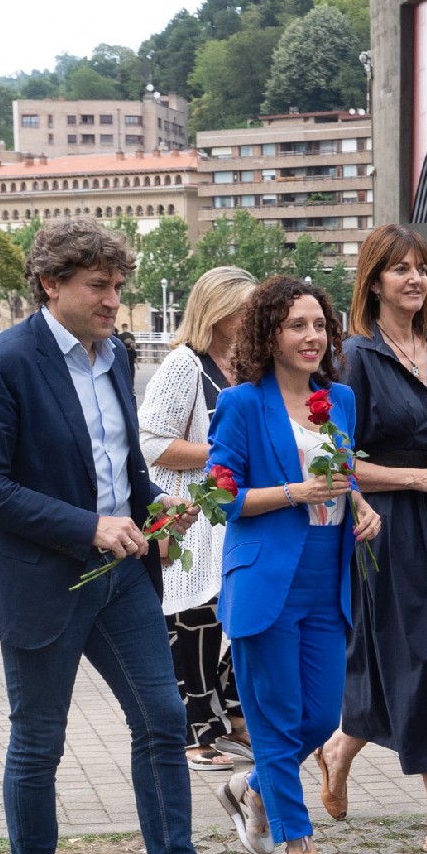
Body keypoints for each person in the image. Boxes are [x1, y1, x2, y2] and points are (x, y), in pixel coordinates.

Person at [0, 217, 269, 854]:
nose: (113, 300)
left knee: (163, 720)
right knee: (39, 741)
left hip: (122, 576)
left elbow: (123, 467)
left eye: (119, 286)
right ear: (50, 284)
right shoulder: (3, 363)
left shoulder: (116, 356)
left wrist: (155, 512)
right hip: (40, 580)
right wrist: (88, 526)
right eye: (99, 286)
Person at [316, 224, 427, 854]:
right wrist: (420, 478)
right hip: (386, 524)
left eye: (420, 267)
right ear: (374, 279)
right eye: (400, 269)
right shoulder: (354, 358)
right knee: (424, 655)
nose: (414, 278)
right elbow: (333, 461)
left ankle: (340, 747)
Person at [207, 276, 382, 854]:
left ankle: (251, 787)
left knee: (319, 713)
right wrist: (293, 494)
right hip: (265, 579)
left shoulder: (339, 399)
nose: (312, 337)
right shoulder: (242, 405)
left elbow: (336, 469)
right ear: (268, 334)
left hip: (327, 576)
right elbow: (221, 497)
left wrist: (360, 502)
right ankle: (296, 848)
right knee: (278, 720)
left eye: (319, 325)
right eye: (296, 326)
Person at [137, 265, 257, 771]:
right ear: (219, 309)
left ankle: (232, 719)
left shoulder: (247, 365)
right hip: (187, 516)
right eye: (245, 307)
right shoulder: (186, 365)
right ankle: (195, 734)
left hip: (230, 517)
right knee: (191, 622)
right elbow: (151, 443)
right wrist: (221, 454)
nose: (253, 316)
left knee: (231, 618)